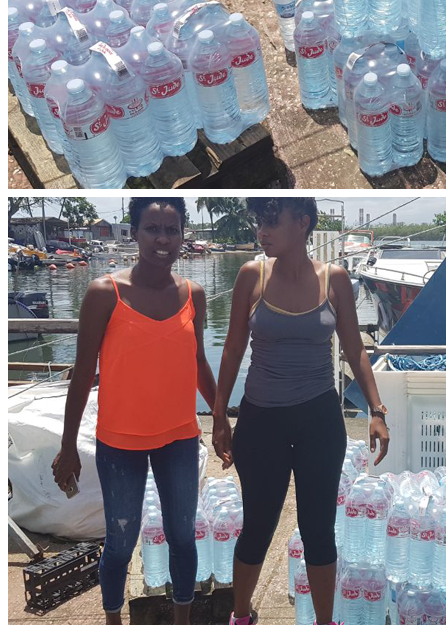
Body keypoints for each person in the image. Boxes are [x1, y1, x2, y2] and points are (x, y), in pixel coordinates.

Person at [213, 197, 390, 625]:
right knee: (258, 524)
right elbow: (233, 349)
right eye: (259, 222)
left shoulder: (335, 279)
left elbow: (355, 348)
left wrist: (376, 409)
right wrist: (219, 416)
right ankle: (241, 617)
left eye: (272, 222)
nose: (262, 231)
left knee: (318, 529)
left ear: (303, 223)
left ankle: (325, 622)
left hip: (318, 420)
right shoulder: (251, 275)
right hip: (261, 420)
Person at [51, 197, 217, 625]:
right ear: (135, 233)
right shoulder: (104, 293)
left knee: (183, 537)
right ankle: (113, 621)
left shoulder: (193, 295)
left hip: (179, 438)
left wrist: (221, 419)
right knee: (121, 542)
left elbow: (199, 362)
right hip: (119, 443)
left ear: (183, 234)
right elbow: (83, 374)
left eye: (172, 230)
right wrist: (67, 446)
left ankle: (182, 620)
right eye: (152, 229)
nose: (163, 239)